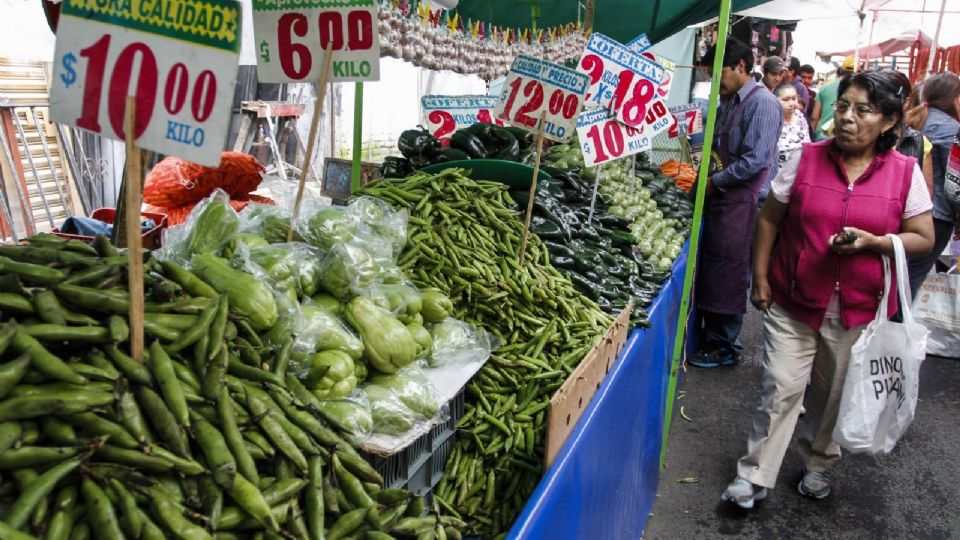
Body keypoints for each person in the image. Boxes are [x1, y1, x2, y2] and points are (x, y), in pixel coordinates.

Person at [720, 70, 935, 509]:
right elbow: (769, 219)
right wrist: (759, 278)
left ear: (890, 121)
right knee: (779, 386)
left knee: (832, 397)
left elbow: (923, 236)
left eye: (863, 110)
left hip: (859, 309)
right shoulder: (807, 157)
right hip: (794, 300)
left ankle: (817, 464)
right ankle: (754, 473)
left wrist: (875, 243)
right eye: (842, 107)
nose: (848, 119)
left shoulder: (905, 173)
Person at [689, 39, 783, 369]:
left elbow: (756, 160)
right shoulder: (729, 101)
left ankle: (724, 345)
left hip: (745, 203)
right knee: (716, 268)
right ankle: (717, 335)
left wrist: (715, 182)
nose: (716, 81)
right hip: (725, 200)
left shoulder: (764, 105)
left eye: (720, 73)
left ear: (741, 67)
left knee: (730, 271)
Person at [904, 72, 960, 297]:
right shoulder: (951, 129)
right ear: (954, 98)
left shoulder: (914, 118)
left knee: (900, 275)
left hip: (906, 210)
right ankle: (891, 327)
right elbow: (955, 183)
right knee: (910, 280)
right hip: (936, 217)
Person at [811, 56, 854, 140]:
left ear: (840, 70)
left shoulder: (824, 88)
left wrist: (812, 136)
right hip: (843, 136)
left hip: (822, 134)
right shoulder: (857, 90)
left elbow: (814, 117)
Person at [774, 82, 811, 166]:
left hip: (801, 170)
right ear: (775, 100)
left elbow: (809, 141)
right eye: (786, 99)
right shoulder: (772, 120)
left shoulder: (801, 116)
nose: (792, 104)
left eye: (794, 99)